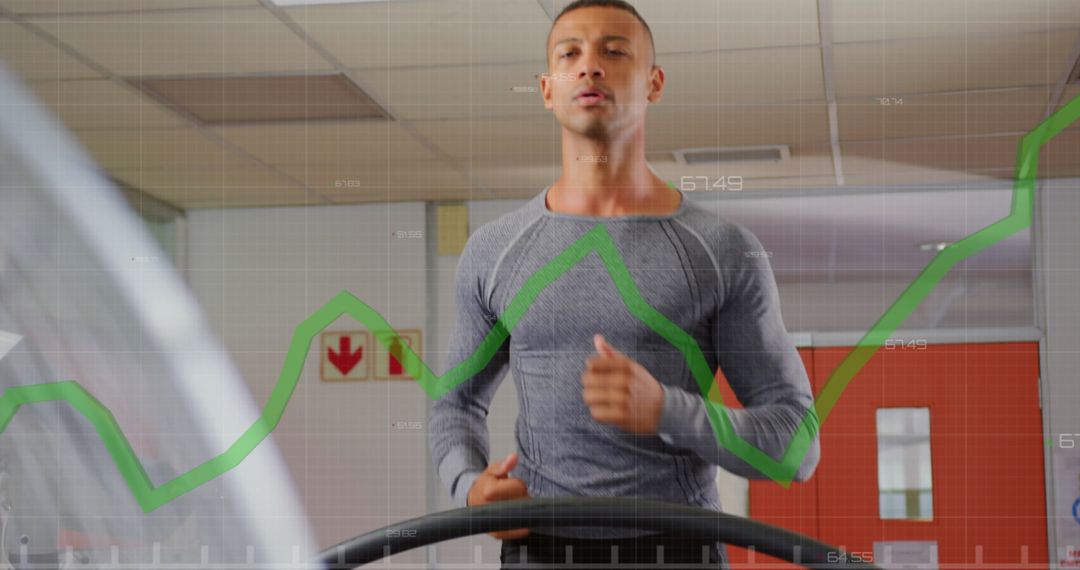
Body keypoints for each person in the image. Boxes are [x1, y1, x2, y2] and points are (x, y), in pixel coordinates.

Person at [427, 1, 821, 567]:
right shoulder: (494, 251)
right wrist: (469, 486)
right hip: (539, 553)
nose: (590, 66)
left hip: (678, 550)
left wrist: (668, 410)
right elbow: (454, 405)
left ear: (654, 82)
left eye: (614, 51)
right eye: (571, 54)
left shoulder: (723, 250)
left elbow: (797, 446)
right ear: (547, 88)